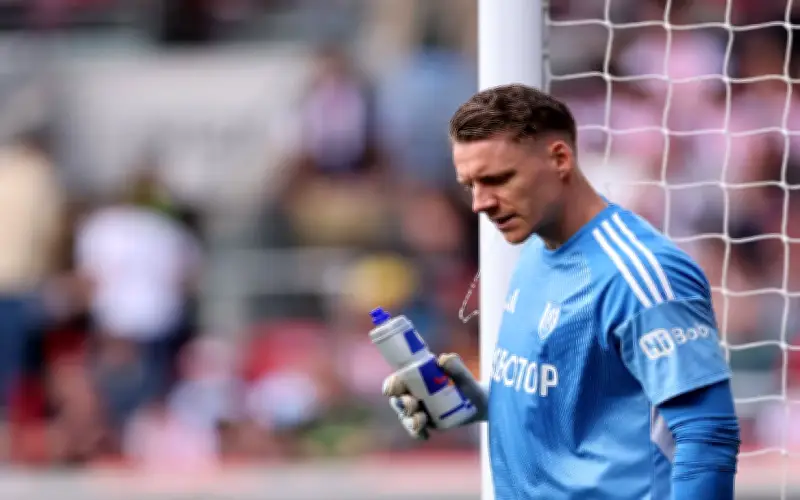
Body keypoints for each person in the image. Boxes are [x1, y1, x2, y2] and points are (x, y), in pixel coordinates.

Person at [382, 84, 740, 499]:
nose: (480, 203)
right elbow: (578, 395)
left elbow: (706, 434)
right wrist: (484, 402)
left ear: (560, 159)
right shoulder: (535, 248)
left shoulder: (640, 273)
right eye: (469, 185)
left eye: (497, 179)